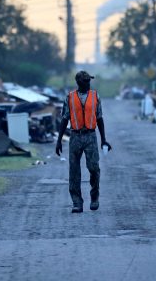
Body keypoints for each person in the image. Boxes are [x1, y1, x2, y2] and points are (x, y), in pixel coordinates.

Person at [55, 70, 112, 213]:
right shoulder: (70, 97)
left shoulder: (95, 96)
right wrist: (59, 140)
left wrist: (104, 139)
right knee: (74, 170)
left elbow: (99, 118)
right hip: (75, 136)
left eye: (89, 81)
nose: (88, 84)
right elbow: (64, 119)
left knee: (94, 168)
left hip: (91, 136)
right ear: (79, 83)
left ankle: (94, 197)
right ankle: (77, 202)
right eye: (85, 81)